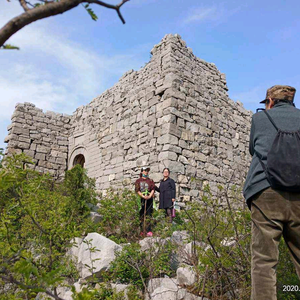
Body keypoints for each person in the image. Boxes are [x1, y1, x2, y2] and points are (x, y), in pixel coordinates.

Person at [243, 85, 300, 300]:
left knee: (264, 262)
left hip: (265, 191)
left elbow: (253, 149)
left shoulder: (260, 119)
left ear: (270, 101)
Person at [135, 166, 155, 237]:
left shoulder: (150, 181)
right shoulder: (138, 181)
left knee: (149, 214)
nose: (146, 172)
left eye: (147, 170)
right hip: (141, 198)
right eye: (145, 170)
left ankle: (149, 230)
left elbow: (153, 189)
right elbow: (137, 190)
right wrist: (142, 196)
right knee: (142, 214)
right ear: (142, 172)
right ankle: (142, 230)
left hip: (149, 198)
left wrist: (149, 196)